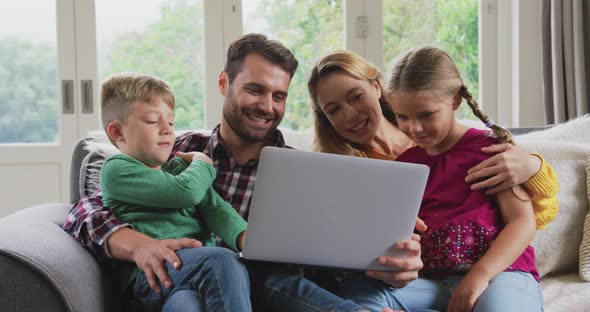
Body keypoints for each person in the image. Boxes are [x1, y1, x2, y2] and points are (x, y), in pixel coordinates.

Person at [64, 34, 410, 311]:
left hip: (264, 288)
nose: (267, 106)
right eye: (255, 90)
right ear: (223, 82)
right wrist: (133, 243)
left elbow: (331, 252)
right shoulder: (179, 152)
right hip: (178, 278)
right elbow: (87, 207)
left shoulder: (301, 172)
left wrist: (389, 264)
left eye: (279, 96)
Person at [309, 48, 557, 311]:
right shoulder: (404, 166)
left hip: (500, 274)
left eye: (426, 115)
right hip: (434, 283)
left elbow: (522, 221)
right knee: (360, 294)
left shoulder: (488, 148)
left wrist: (478, 277)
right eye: (403, 117)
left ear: (455, 100)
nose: (414, 128)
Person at [98, 73, 250, 311]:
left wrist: (245, 238)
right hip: (151, 275)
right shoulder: (117, 170)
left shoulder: (180, 169)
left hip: (192, 270)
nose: (167, 130)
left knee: (186, 305)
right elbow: (183, 193)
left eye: (171, 122)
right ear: (118, 132)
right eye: (151, 120)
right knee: (221, 260)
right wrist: (202, 162)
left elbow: (215, 208)